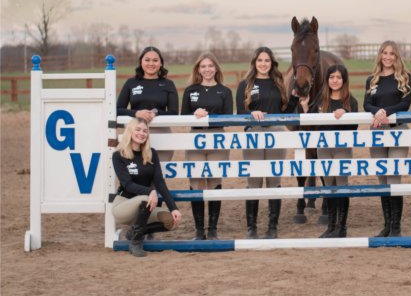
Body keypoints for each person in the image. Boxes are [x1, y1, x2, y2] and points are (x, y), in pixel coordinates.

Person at [236, 46, 300, 239]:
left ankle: (272, 227)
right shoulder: (245, 84)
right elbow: (239, 112)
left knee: (274, 180)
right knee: (254, 180)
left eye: (267, 61)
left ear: (271, 63)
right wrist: (250, 114)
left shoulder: (278, 83)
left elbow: (285, 114)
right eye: (260, 60)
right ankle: (251, 228)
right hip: (253, 133)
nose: (263, 64)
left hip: (276, 133)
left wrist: (295, 99)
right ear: (254, 63)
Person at [299, 64, 358, 238]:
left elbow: (354, 125)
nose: (335, 80)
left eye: (338, 77)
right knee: (328, 186)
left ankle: (342, 227)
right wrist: (304, 107)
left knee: (341, 185)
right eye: (331, 77)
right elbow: (309, 122)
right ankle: (331, 226)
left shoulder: (350, 101)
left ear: (344, 80)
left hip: (341, 147)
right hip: (323, 147)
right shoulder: (321, 99)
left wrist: (345, 113)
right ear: (327, 80)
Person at [112, 118, 182, 257]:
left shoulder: (151, 153)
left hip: (145, 209)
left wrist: (174, 208)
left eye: (145, 131)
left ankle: (135, 232)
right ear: (130, 131)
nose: (141, 133)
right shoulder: (118, 155)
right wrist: (150, 192)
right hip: (124, 206)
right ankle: (136, 243)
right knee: (145, 198)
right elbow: (127, 184)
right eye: (137, 130)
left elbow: (160, 183)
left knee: (171, 221)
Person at [181, 52, 233, 241]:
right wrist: (195, 113)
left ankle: (212, 229)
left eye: (210, 66)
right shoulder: (190, 90)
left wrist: (210, 116)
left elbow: (228, 118)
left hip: (217, 137)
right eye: (203, 66)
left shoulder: (225, 91)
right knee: (196, 181)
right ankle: (198, 230)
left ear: (216, 68)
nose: (207, 69)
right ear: (198, 69)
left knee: (214, 181)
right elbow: (182, 116)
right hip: (195, 137)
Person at [364, 40, 411, 237]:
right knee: (382, 179)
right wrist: (378, 112)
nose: (388, 57)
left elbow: (406, 104)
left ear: (397, 56)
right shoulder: (372, 80)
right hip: (377, 132)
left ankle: (396, 227)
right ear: (380, 55)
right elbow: (367, 105)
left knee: (394, 178)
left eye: (392, 53)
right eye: (385, 53)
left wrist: (385, 112)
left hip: (398, 131)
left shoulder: (404, 77)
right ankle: (387, 225)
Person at [117, 46, 178, 163]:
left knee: (158, 175)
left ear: (161, 63)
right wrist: (136, 113)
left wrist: (156, 112)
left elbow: (174, 112)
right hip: (136, 135)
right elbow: (118, 109)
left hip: (161, 135)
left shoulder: (168, 84)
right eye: (147, 60)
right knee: (137, 174)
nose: (151, 63)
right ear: (141, 62)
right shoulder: (131, 83)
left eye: (155, 60)